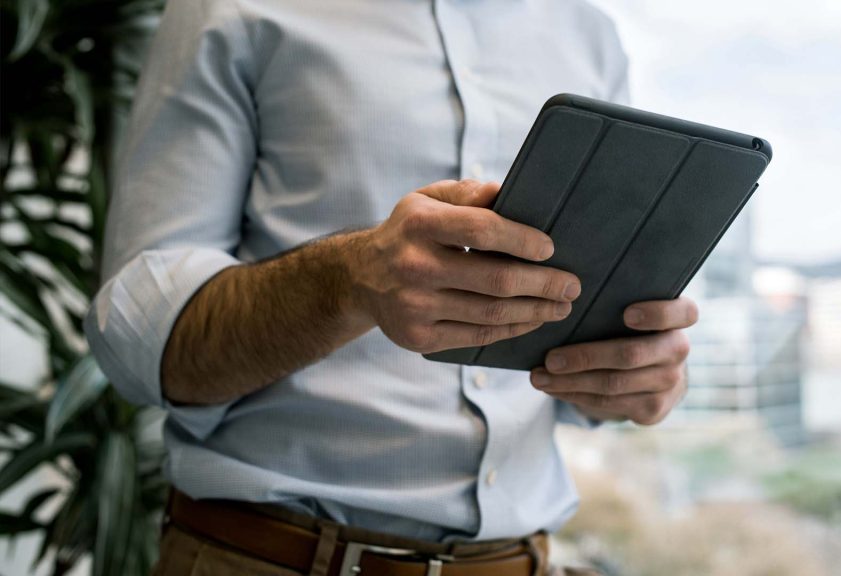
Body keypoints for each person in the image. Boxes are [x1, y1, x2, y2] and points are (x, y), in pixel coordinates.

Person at [85, 0, 697, 574]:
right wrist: (349, 280)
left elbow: (582, 330)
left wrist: (630, 371)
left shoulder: (589, 35)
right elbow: (142, 343)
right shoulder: (231, 8)